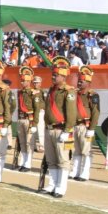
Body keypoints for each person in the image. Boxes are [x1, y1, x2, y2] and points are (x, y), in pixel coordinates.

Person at [42, 57, 77, 197]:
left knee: (63, 160)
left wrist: (67, 130)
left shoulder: (68, 92)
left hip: (62, 130)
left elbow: (71, 113)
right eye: (53, 74)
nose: (53, 77)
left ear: (63, 76)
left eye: (56, 75)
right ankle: (52, 184)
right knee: (51, 159)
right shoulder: (52, 90)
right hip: (50, 129)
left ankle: (61, 187)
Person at [71, 66, 100, 181]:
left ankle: (85, 172)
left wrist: (92, 129)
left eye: (81, 81)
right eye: (78, 81)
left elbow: (96, 112)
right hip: (75, 125)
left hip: (85, 126)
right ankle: (75, 171)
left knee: (86, 151)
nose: (79, 83)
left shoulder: (93, 95)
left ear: (88, 82)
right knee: (76, 150)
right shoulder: (75, 93)